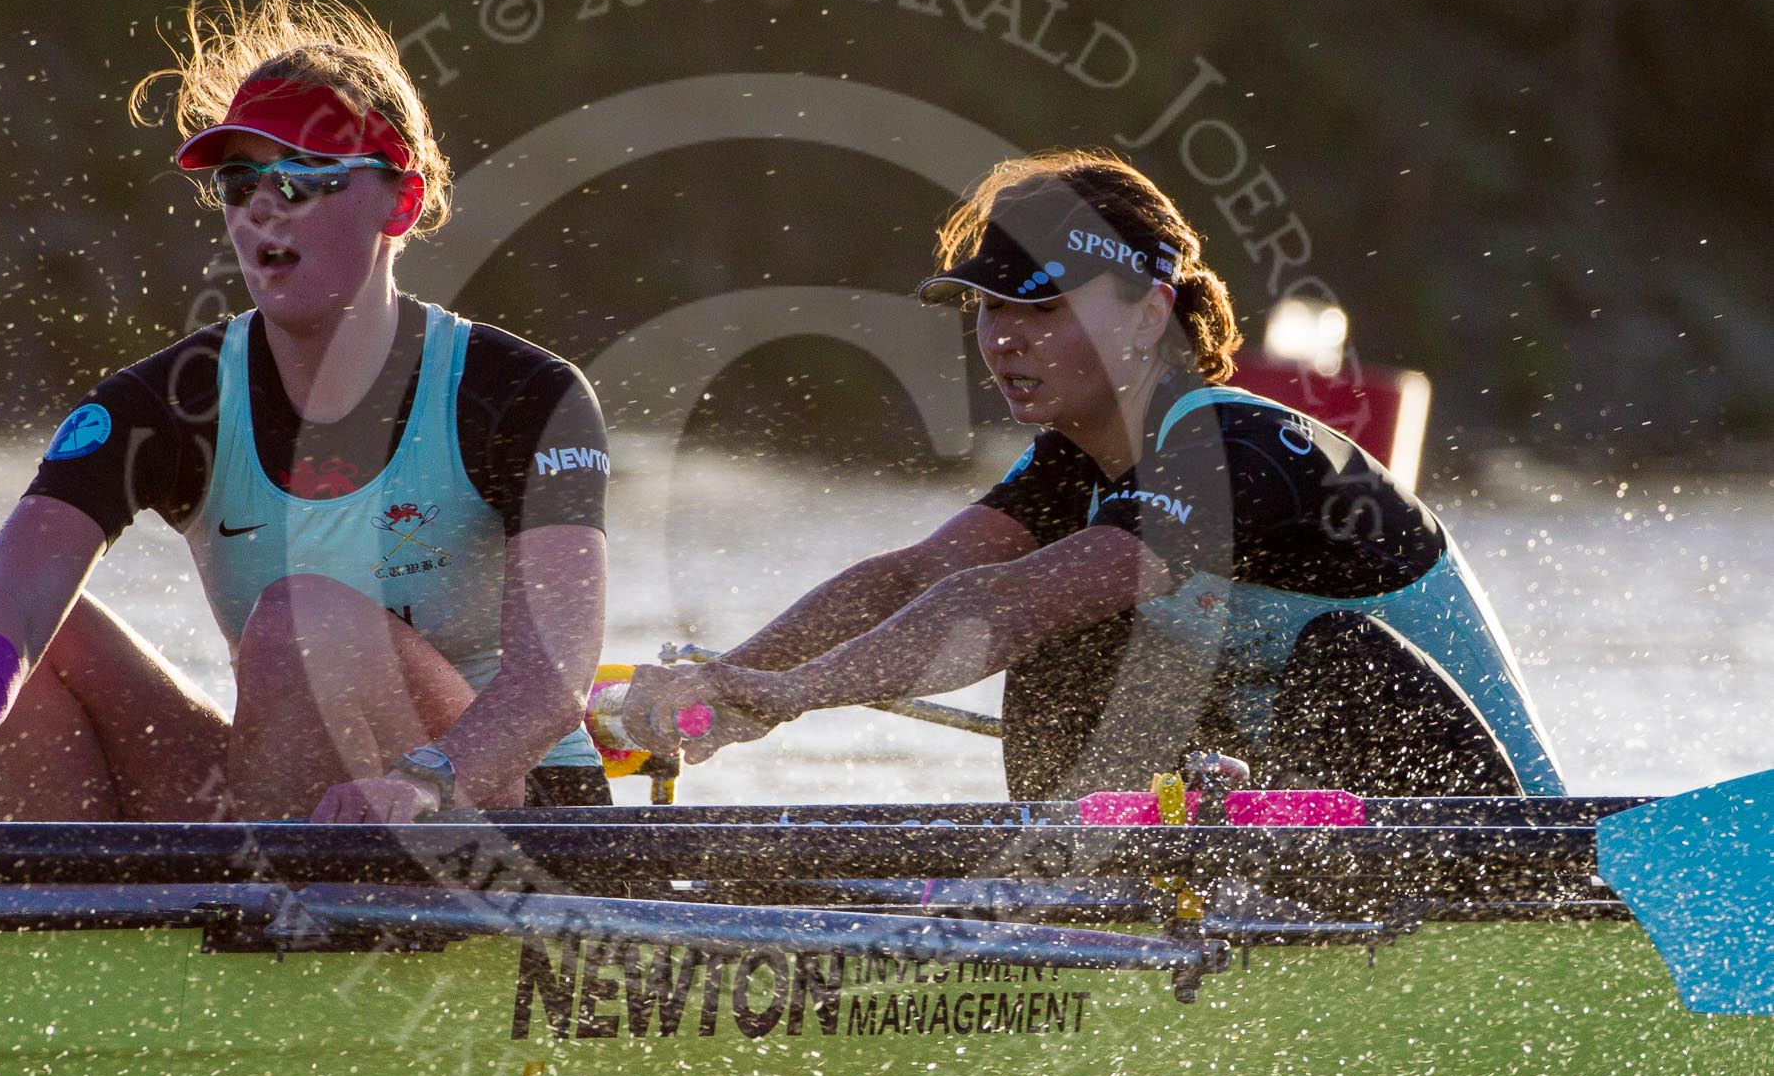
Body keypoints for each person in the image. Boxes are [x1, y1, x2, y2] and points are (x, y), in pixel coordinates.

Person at [0, 0, 611, 823]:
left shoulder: (524, 396)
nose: (261, 204)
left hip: (509, 808)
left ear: (400, 200)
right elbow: (16, 589)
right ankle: (54, 928)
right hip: (301, 806)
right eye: (241, 179)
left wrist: (424, 782)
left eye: (303, 177)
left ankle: (278, 923)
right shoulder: (168, 404)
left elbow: (553, 681)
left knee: (302, 620)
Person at [623, 150, 1565, 801]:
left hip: (1494, 838)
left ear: (1149, 315)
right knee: (1071, 657)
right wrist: (730, 682)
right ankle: (1091, 908)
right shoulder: (1074, 464)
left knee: (1086, 627)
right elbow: (914, 579)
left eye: (1038, 308)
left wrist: (795, 695)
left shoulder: (1224, 449)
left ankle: (1172, 917)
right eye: (986, 310)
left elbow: (1006, 606)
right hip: (1321, 821)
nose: (1001, 338)